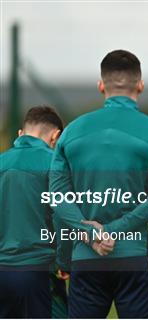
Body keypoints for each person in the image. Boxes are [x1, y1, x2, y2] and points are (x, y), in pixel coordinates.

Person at [49, 49, 148, 318]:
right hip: (136, 256)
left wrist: (94, 234)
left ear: (101, 86)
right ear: (140, 85)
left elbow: (58, 195)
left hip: (86, 258)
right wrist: (114, 230)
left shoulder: (72, 131)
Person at [0, 106, 69, 318]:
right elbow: (63, 216)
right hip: (39, 273)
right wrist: (65, 261)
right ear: (55, 136)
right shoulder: (55, 164)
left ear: (21, 133)